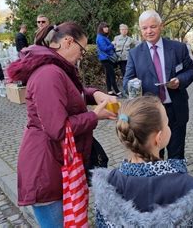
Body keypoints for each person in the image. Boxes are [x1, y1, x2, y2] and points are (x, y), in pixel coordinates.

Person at [7, 22, 118, 227]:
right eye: (82, 49)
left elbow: (70, 94)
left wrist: (95, 94)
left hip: (53, 162)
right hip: (46, 169)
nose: (82, 55)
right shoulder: (49, 73)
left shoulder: (55, 68)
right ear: (68, 42)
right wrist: (95, 116)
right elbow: (58, 128)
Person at [92, 95, 193, 227]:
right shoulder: (188, 189)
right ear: (159, 138)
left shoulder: (108, 186)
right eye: (166, 123)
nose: (168, 126)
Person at [123, 10, 193, 160]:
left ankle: (176, 182)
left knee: (177, 155)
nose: (149, 31)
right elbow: (126, 81)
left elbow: (191, 70)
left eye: (153, 26)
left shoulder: (178, 48)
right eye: (145, 28)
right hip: (150, 113)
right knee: (154, 157)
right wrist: (133, 86)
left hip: (176, 110)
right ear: (140, 30)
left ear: (161, 26)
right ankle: (158, 183)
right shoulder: (134, 54)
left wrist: (180, 81)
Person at [96, 21, 120, 96]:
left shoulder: (103, 37)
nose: (107, 29)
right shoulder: (100, 37)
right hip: (105, 58)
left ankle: (109, 91)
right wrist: (112, 45)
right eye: (105, 27)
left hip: (106, 58)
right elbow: (104, 48)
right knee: (112, 75)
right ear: (101, 28)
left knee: (108, 75)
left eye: (107, 27)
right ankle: (118, 91)